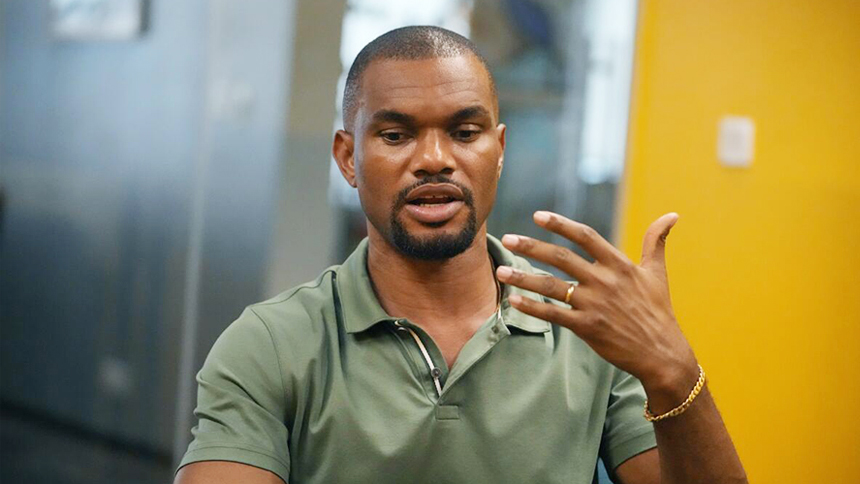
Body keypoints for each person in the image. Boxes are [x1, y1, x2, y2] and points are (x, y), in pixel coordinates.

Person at [175, 26, 747, 484]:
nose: (434, 159)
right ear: (348, 158)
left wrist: (673, 368)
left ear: (499, 149)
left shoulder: (586, 333)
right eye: (396, 136)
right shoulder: (271, 345)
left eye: (465, 132)